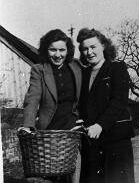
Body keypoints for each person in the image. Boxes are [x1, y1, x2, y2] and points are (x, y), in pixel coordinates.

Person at [18, 29, 82, 183]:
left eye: (62, 50)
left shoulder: (76, 67)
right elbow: (32, 98)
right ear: (46, 50)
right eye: (53, 50)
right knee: (50, 174)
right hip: (50, 129)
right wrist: (28, 125)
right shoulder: (39, 70)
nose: (58, 54)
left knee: (75, 168)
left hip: (72, 127)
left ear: (68, 50)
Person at [76, 28, 135, 183]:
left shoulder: (117, 67)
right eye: (84, 49)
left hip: (116, 140)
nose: (89, 52)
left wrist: (101, 125)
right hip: (92, 141)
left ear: (103, 46)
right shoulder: (84, 73)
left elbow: (119, 101)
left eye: (93, 47)